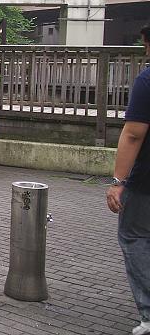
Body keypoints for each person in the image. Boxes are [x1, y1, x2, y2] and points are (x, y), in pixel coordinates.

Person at [106, 25, 150, 335]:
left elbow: (134, 134)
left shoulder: (147, 81)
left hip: (146, 182)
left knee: (134, 237)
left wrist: (118, 181)